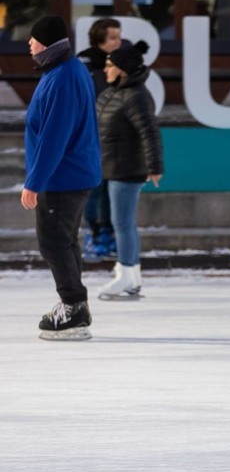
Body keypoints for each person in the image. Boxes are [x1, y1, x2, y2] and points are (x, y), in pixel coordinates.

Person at [21, 15, 101, 340]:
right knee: (65, 241)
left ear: (48, 44)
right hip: (73, 173)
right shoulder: (66, 70)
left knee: (53, 242)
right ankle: (73, 303)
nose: (28, 43)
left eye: (34, 38)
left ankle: (73, 305)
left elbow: (54, 137)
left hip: (62, 177)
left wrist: (34, 182)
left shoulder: (62, 78)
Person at [94, 41, 163, 300]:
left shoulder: (136, 96)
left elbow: (150, 133)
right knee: (123, 223)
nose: (105, 69)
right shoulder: (113, 92)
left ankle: (125, 277)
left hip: (127, 168)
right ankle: (131, 277)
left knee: (122, 223)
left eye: (110, 65)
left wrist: (155, 166)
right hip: (110, 165)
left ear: (122, 69)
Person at [77, 18, 124, 263]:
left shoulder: (121, 63)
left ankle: (108, 232)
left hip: (113, 136)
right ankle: (94, 233)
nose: (118, 42)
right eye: (113, 37)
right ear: (99, 39)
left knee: (109, 186)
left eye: (119, 36)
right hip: (90, 136)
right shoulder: (84, 65)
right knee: (93, 186)